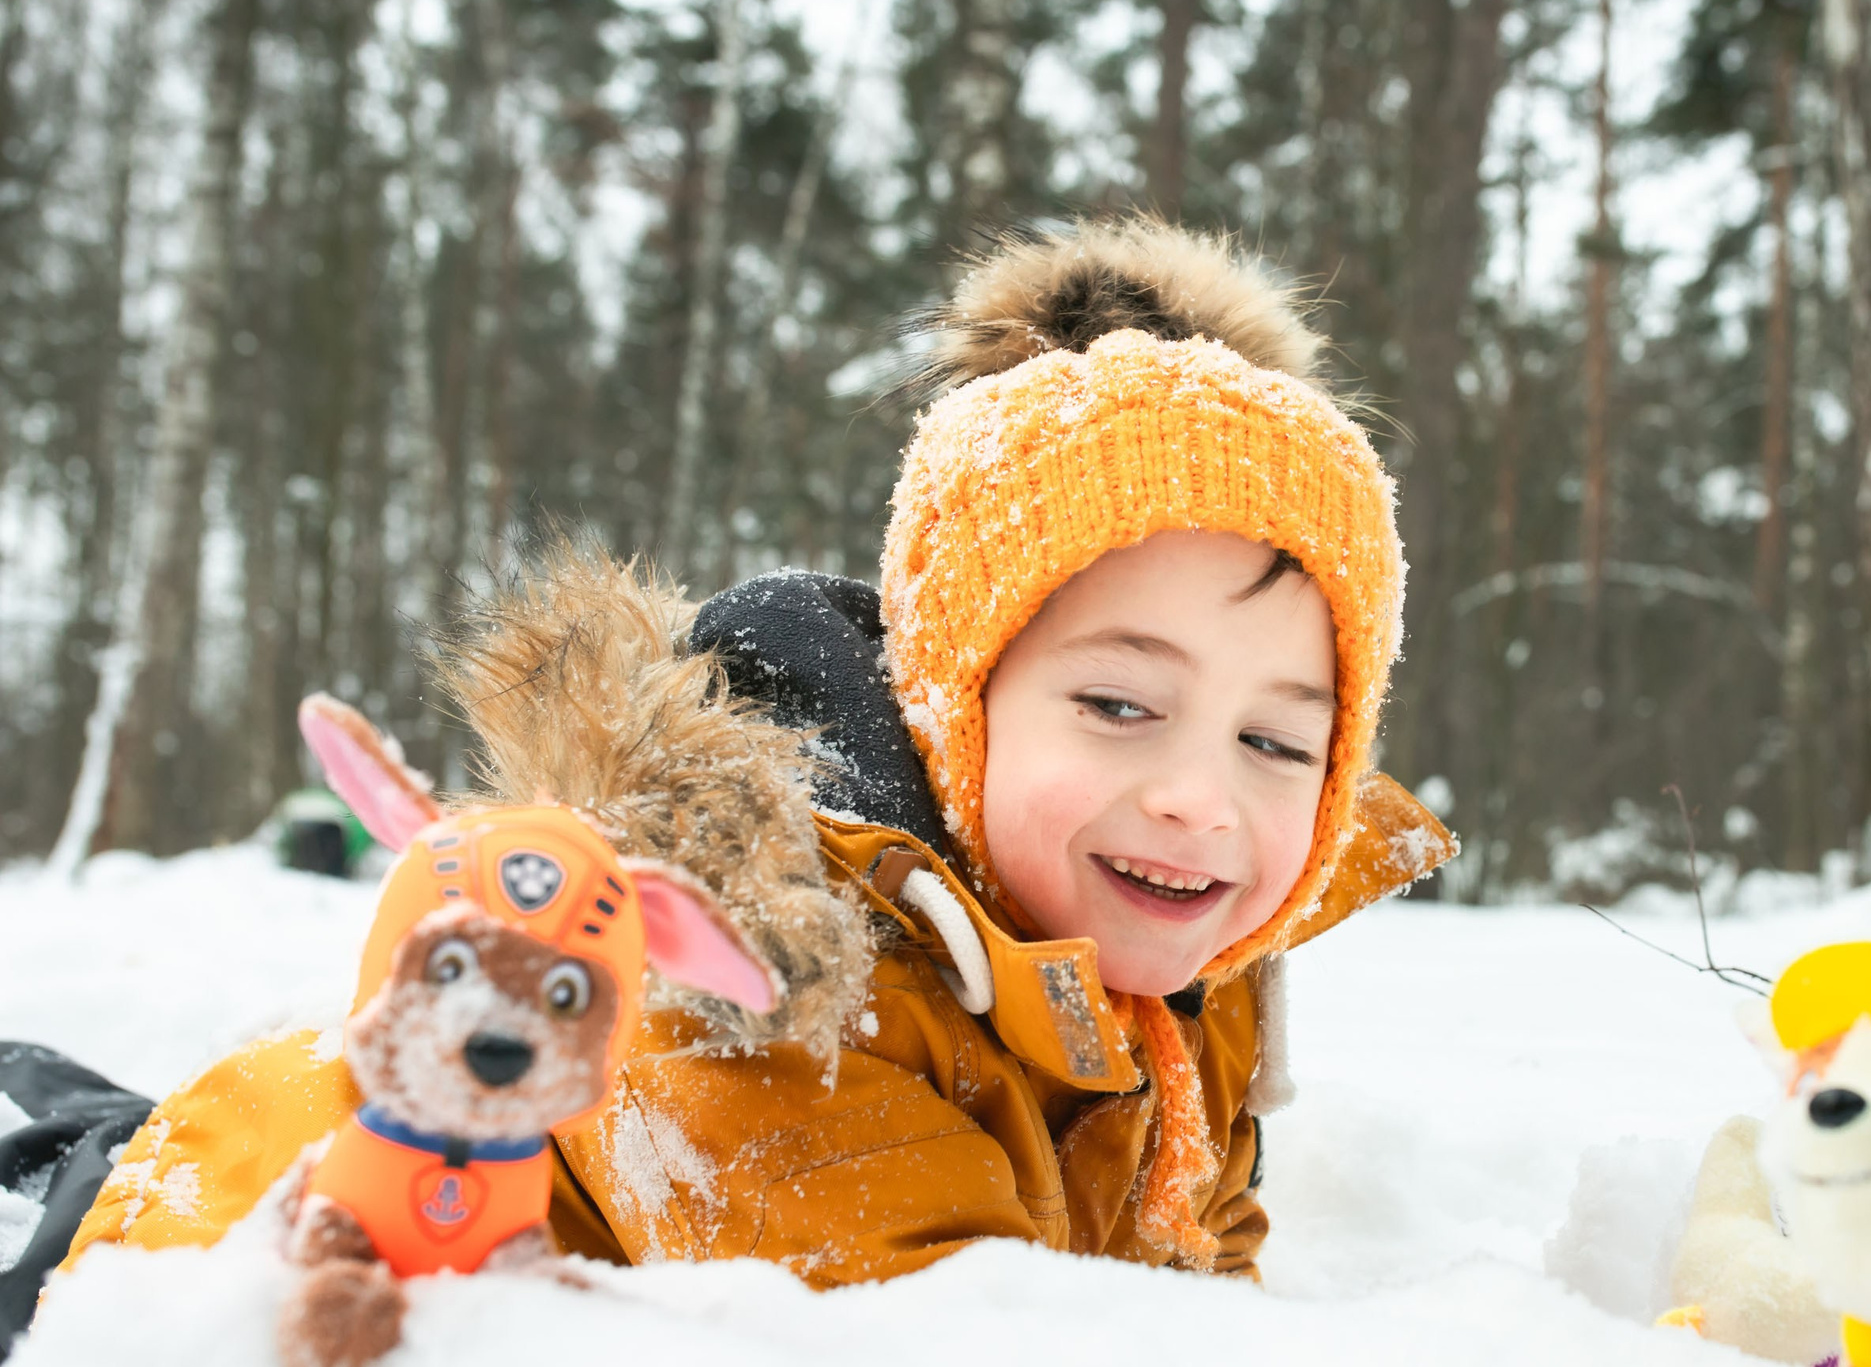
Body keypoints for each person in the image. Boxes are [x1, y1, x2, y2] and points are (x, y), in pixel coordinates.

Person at [38, 220, 1451, 1311]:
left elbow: (1194, 1263)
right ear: (955, 704)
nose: (1207, 796)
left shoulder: (1185, 971)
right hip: (211, 1265)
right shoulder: (767, 975)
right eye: (1120, 707)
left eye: (1278, 741)